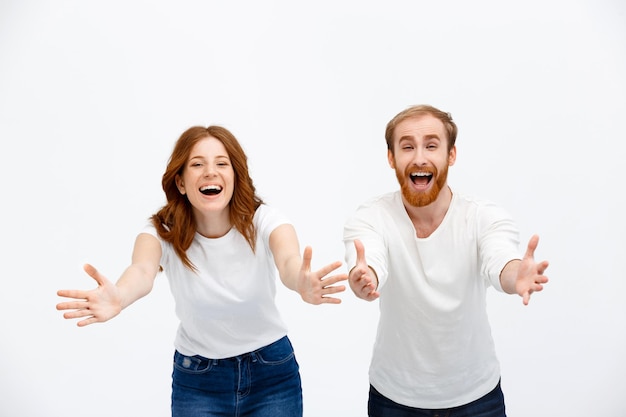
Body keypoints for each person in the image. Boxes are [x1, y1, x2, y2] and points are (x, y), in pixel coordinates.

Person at [57, 125, 348, 417]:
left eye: (222, 164)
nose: (210, 172)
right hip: (198, 380)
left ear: (235, 176)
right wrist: (119, 296)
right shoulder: (162, 231)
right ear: (181, 182)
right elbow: (142, 271)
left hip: (272, 373)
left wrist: (301, 281)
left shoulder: (264, 220)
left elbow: (288, 261)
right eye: (197, 164)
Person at [343, 104, 549, 417]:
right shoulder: (372, 216)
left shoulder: (483, 217)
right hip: (394, 399)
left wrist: (516, 274)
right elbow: (369, 260)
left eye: (431, 145)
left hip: (478, 398)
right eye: (407, 146)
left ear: (451, 155)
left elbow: (500, 260)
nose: (420, 157)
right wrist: (364, 277)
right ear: (391, 158)